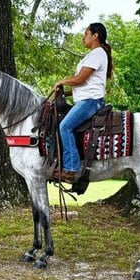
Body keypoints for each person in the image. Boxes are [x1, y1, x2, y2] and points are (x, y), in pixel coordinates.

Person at [52, 22, 113, 182]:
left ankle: (71, 168)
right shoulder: (93, 54)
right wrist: (64, 92)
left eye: (86, 34)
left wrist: (61, 81)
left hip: (91, 101)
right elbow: (84, 84)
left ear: (95, 36)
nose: (82, 37)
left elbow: (80, 79)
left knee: (65, 126)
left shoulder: (98, 53)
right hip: (85, 99)